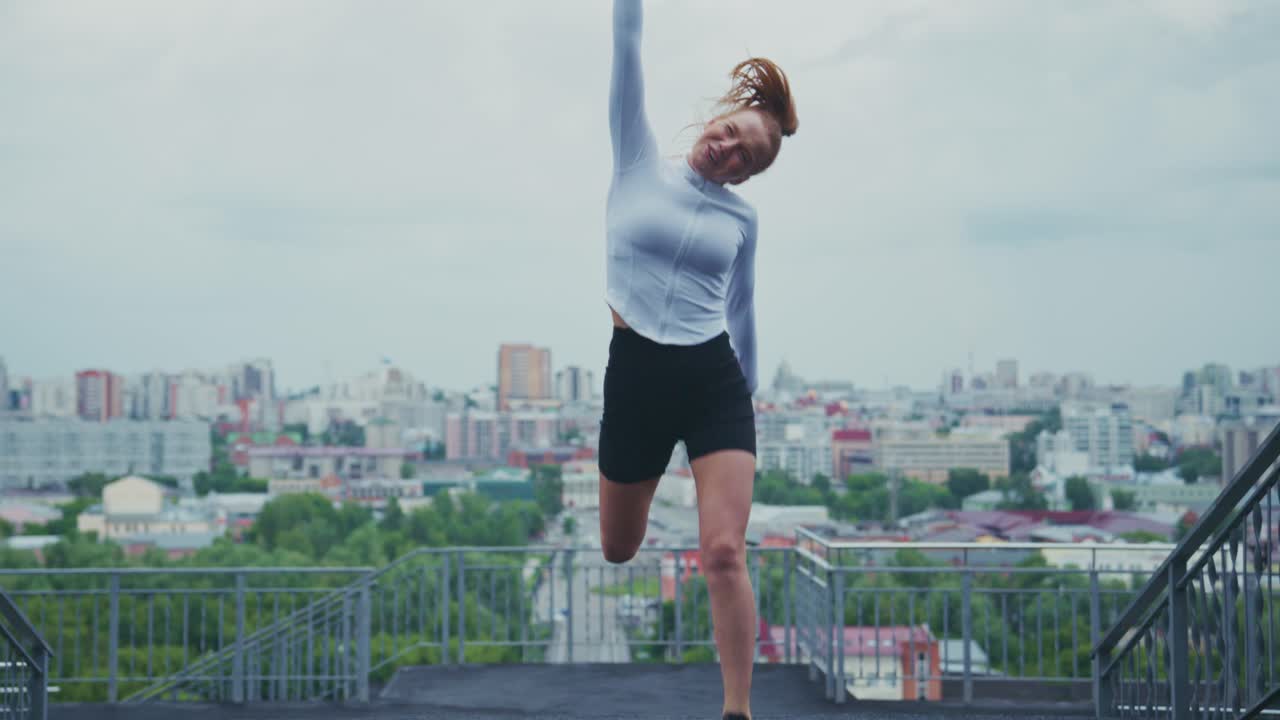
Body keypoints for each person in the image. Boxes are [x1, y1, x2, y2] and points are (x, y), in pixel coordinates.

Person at [597, 1, 797, 718]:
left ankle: (737, 709)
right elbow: (627, 41)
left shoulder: (742, 221)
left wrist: (751, 407)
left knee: (722, 553)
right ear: (717, 116)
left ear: (749, 176)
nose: (730, 150)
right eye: (732, 133)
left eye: (748, 156)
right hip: (637, 376)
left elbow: (742, 313)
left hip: (713, 382)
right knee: (618, 549)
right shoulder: (637, 160)